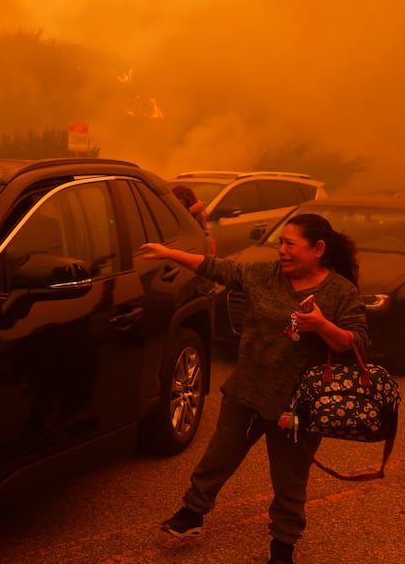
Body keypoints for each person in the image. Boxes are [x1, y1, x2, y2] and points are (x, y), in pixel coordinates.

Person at [141, 213, 367, 564]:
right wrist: (171, 254)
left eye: (291, 244)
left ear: (318, 249)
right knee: (217, 458)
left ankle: (283, 547)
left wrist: (322, 326)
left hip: (296, 408)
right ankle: (192, 514)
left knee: (289, 482)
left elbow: (357, 343)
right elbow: (218, 268)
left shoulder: (339, 291)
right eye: (280, 243)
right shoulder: (264, 275)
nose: (282, 251)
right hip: (246, 391)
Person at [171, 184, 218, 254]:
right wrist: (191, 211)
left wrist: (191, 212)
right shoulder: (169, 219)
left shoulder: (198, 233)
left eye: (183, 208)